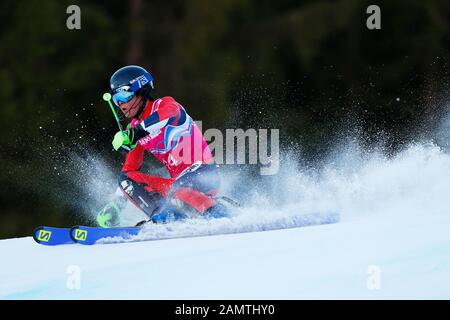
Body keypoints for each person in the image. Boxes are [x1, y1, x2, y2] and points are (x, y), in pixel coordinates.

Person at [97, 65, 225, 227]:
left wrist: (136, 133)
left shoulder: (164, 105)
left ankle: (220, 214)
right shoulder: (134, 129)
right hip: (178, 185)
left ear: (141, 90)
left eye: (125, 95)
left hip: (203, 173)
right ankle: (160, 217)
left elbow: (169, 114)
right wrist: (117, 204)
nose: (121, 104)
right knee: (126, 178)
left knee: (177, 193)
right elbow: (129, 172)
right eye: (116, 99)